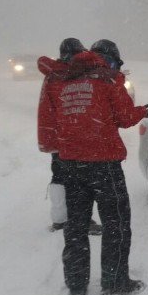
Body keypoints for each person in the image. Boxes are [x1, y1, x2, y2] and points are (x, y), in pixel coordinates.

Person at [38, 39, 148, 295]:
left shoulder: (61, 79)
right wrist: (146, 110)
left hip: (71, 164)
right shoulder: (108, 78)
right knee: (115, 224)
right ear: (110, 59)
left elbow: (50, 120)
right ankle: (115, 283)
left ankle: (76, 283)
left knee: (76, 226)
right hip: (104, 165)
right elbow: (125, 117)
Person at [37, 38, 102, 235]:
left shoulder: (52, 75)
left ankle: (59, 220)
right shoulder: (78, 73)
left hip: (56, 135)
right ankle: (81, 220)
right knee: (80, 178)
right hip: (73, 135)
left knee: (59, 175)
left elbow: (49, 109)